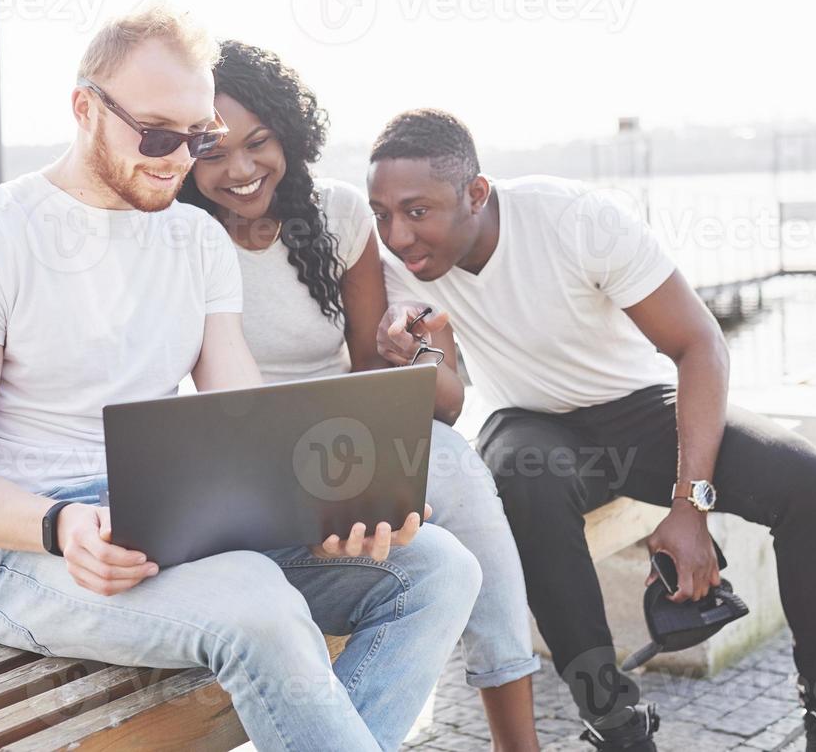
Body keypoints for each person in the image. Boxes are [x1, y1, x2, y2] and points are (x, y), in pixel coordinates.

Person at [0, 8, 481, 752]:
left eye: (196, 136)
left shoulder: (195, 240)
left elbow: (243, 417)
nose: (179, 161)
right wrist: (63, 524)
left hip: (176, 522)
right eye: (156, 135)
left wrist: (327, 510)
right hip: (29, 552)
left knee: (437, 569)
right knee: (259, 609)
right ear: (84, 108)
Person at [366, 109, 816, 752]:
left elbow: (700, 345)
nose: (398, 235)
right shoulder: (400, 265)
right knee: (522, 479)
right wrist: (415, 355)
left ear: (476, 193)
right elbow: (448, 405)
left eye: (417, 211)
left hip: (638, 409)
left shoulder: (577, 221)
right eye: (381, 214)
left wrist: (691, 508)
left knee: (807, 481)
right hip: (532, 423)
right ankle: (614, 722)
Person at [179, 41, 543, 751]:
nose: (242, 170)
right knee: (434, 551)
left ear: (290, 132)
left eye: (259, 142)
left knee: (457, 469)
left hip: (338, 440)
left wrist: (413, 361)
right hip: (238, 465)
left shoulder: (338, 213)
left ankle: (515, 733)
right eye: (215, 153)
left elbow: (373, 373)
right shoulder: (182, 236)